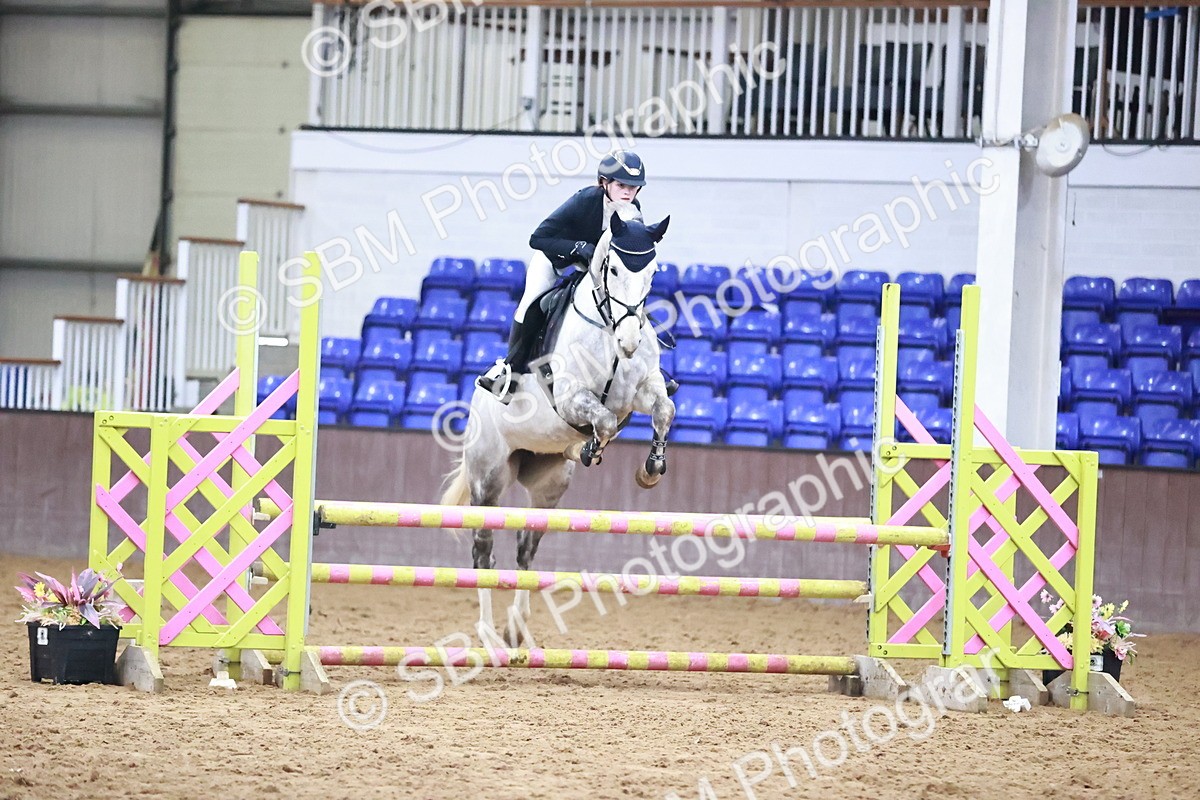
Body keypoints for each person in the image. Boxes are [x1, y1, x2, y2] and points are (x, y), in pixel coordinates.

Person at [477, 150, 648, 397]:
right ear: (604, 182)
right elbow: (538, 238)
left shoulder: (634, 211)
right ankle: (509, 372)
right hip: (554, 260)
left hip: (589, 270)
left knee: (628, 305)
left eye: (633, 187)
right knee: (532, 303)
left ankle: (646, 374)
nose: (627, 192)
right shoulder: (585, 200)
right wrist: (578, 247)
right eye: (621, 185)